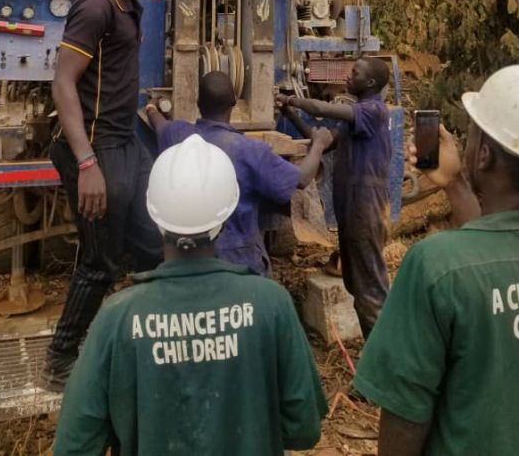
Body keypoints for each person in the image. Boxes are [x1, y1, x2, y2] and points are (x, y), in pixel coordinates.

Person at [53, 134, 328, 456]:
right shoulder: (272, 304)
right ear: (225, 219)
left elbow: (76, 446)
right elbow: (303, 431)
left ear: (153, 216)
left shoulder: (116, 318)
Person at [354, 58, 519, 456]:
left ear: (483, 156)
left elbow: (406, 420)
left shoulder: (435, 267)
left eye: (475, 136)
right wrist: (456, 184)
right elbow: (500, 247)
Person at [41, 0, 169, 390]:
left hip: (124, 143)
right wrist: (87, 164)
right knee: (99, 262)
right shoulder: (96, 6)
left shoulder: (126, 2)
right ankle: (59, 361)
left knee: (155, 245)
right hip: (95, 150)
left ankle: (144, 337)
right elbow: (63, 83)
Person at [146, 71, 333, 275]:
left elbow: (158, 124)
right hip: (239, 259)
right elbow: (303, 178)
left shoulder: (178, 135)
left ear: (198, 102)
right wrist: (319, 144)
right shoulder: (251, 151)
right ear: (235, 103)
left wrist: (152, 107)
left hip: (191, 258)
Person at [276, 57, 392, 338]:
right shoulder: (356, 120)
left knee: (370, 287)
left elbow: (321, 108)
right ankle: (375, 350)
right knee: (355, 283)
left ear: (371, 83)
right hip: (352, 206)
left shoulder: (373, 111)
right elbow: (320, 140)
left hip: (367, 205)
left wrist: (291, 100)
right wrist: (288, 114)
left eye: (355, 73)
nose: (347, 77)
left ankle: (384, 354)